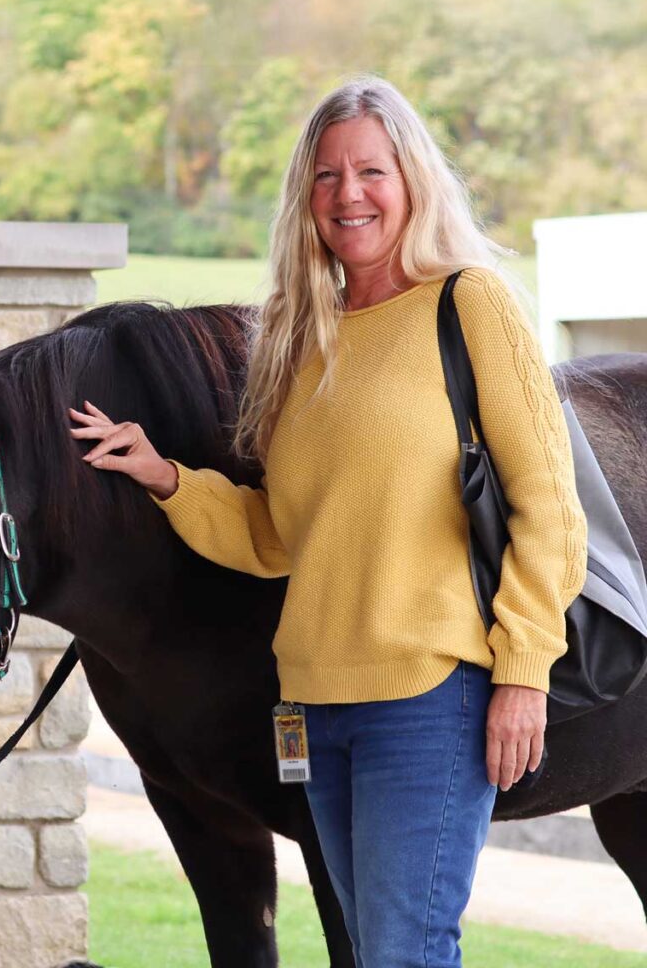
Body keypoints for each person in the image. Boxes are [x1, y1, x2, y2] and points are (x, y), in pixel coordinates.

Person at [69, 76, 588, 967]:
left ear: (413, 180)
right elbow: (278, 537)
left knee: (404, 952)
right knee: (370, 950)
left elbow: (549, 505)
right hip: (315, 707)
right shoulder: (299, 340)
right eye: (326, 176)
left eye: (371, 171)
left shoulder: (468, 305)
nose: (349, 195)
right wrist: (164, 478)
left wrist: (524, 675)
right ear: (303, 199)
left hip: (431, 698)